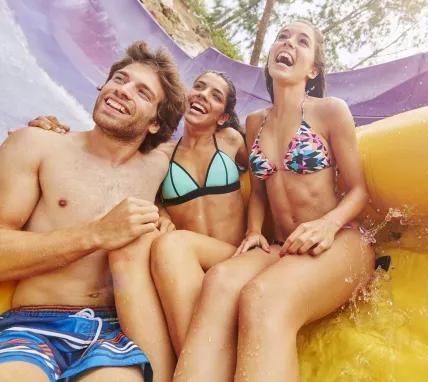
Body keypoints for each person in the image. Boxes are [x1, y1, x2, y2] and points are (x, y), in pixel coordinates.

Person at [173, 20, 375, 382]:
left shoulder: (329, 111)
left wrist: (326, 225)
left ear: (312, 69)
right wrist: (253, 231)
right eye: (283, 37)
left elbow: (359, 190)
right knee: (218, 280)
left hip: (341, 238)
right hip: (284, 246)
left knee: (261, 296)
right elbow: (262, 189)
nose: (288, 44)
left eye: (302, 42)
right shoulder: (255, 123)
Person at [0, 41, 186, 382]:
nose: (122, 90)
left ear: (157, 124)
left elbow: (238, 146)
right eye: (119, 79)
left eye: (142, 92)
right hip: (31, 326)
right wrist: (95, 234)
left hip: (113, 335)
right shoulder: (38, 144)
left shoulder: (163, 167)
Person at [28, 70, 248, 357]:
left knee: (173, 244)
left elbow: (268, 171)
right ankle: (188, 364)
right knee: (148, 248)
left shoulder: (230, 140)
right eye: (199, 87)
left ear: (222, 116)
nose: (203, 95)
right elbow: (116, 165)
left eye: (215, 95)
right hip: (184, 265)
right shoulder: (163, 156)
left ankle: (197, 365)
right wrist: (55, 132)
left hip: (229, 253)